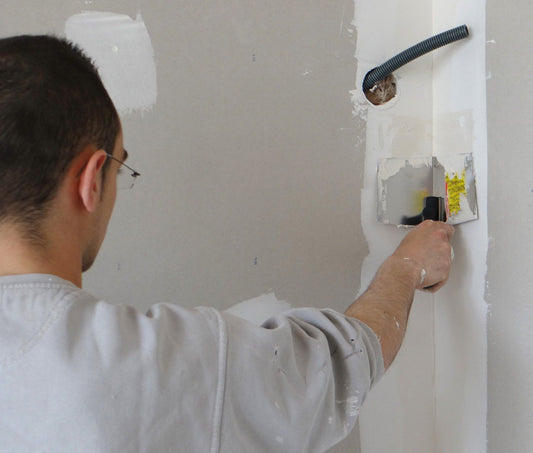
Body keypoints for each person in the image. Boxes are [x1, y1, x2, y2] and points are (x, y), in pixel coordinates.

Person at [0, 35, 454, 452]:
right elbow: (336, 369)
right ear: (90, 180)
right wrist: (406, 266)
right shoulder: (154, 365)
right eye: (120, 168)